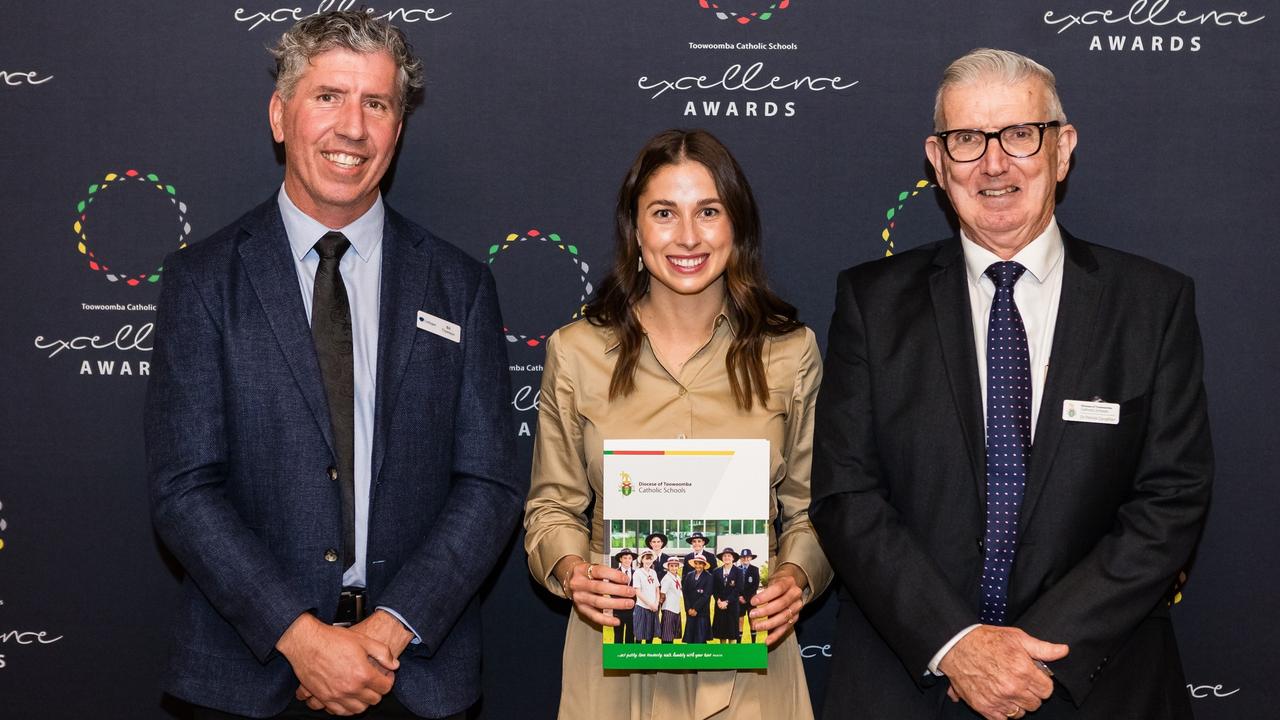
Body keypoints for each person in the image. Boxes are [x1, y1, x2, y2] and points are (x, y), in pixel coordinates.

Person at [810, 48, 1213, 720]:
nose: (994, 164)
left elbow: (1171, 499)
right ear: (938, 164)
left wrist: (1029, 655)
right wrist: (958, 644)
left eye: (1020, 135)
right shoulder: (871, 303)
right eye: (967, 139)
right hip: (915, 681)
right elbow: (847, 495)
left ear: (1062, 149)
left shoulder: (1151, 304)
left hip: (1095, 681)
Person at [145, 11, 523, 719]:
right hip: (245, 678)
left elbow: (491, 484)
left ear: (397, 128)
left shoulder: (459, 285)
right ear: (281, 115)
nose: (353, 127)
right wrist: (301, 637)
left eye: (376, 103)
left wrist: (388, 629)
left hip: (412, 677)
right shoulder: (200, 282)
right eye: (328, 97)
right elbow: (184, 489)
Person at [523, 128, 832, 719]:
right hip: (614, 655)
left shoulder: (790, 352)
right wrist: (573, 571)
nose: (687, 236)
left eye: (708, 212)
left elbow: (812, 509)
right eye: (664, 213)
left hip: (753, 659)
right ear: (635, 230)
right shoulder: (576, 351)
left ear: (735, 226)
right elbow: (551, 508)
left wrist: (795, 575)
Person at [711, 548, 743, 643]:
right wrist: (719, 601)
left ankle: (731, 656)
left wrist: (727, 602)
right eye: (724, 556)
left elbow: (738, 589)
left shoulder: (738, 571)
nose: (727, 557)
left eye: (729, 555)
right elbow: (714, 588)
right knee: (722, 633)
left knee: (732, 634)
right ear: (722, 558)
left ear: (733, 558)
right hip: (720, 606)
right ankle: (723, 655)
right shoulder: (716, 571)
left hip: (732, 606)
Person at [682, 556, 714, 644]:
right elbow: (685, 593)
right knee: (690, 638)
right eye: (696, 563)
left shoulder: (709, 577)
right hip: (690, 612)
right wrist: (689, 609)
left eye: (700, 564)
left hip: (702, 612)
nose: (698, 566)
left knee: (700, 639)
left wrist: (695, 609)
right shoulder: (689, 575)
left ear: (704, 565)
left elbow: (706, 595)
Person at [633, 549, 662, 643]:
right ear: (642, 560)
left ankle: (648, 656)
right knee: (639, 636)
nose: (648, 561)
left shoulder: (653, 572)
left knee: (650, 636)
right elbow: (637, 591)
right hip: (642, 607)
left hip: (653, 608)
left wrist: (656, 603)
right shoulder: (638, 573)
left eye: (650, 559)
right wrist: (650, 604)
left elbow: (657, 589)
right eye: (646, 559)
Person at [613, 548, 638, 643]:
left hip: (632, 610)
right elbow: (612, 591)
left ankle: (629, 655)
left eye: (629, 558)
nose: (627, 560)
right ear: (620, 559)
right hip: (618, 610)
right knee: (618, 635)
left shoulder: (636, 574)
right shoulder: (615, 573)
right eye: (625, 558)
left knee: (630, 636)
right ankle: (617, 656)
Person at [659, 556, 685, 644]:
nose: (674, 568)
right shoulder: (667, 578)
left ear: (678, 567)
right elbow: (662, 594)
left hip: (676, 609)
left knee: (672, 634)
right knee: (667, 635)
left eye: (675, 566)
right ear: (668, 567)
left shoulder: (678, 577)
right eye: (671, 566)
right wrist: (662, 608)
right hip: (668, 609)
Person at [736, 549, 760, 643]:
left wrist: (745, 598)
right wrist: (739, 597)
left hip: (751, 600)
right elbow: (735, 585)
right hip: (739, 600)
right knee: (740, 621)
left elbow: (755, 585)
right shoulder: (737, 569)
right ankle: (739, 644)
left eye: (747, 557)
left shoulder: (755, 569)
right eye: (743, 557)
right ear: (741, 558)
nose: (745, 558)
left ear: (750, 558)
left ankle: (753, 643)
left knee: (752, 621)